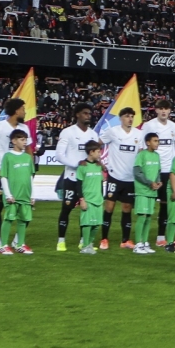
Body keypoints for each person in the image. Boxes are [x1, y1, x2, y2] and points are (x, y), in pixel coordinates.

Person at [0, 97, 30, 252]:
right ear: (16, 110)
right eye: (23, 109)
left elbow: (29, 150)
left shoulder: (25, 129)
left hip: (21, 175)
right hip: (4, 176)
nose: (25, 111)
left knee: (24, 207)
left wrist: (29, 169)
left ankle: (17, 241)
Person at [55, 103, 97, 252]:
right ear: (77, 115)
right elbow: (59, 155)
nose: (88, 116)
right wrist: (76, 164)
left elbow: (96, 156)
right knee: (66, 209)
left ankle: (83, 240)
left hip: (88, 180)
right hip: (71, 178)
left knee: (87, 210)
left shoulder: (93, 134)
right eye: (85, 113)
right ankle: (61, 241)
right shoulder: (67, 132)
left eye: (89, 114)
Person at [100, 106, 142, 250]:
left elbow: (141, 154)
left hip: (130, 178)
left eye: (131, 116)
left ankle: (125, 240)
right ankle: (104, 238)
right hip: (115, 176)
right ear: (121, 118)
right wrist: (99, 163)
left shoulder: (139, 134)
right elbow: (97, 144)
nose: (129, 119)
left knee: (126, 208)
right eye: (127, 116)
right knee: (109, 207)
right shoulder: (113, 132)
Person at [143, 98, 175, 247]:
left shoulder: (173, 126)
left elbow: (172, 147)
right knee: (148, 205)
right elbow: (143, 146)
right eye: (161, 108)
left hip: (168, 170)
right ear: (156, 110)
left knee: (165, 205)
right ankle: (142, 237)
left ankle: (160, 237)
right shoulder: (149, 125)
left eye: (166, 108)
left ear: (169, 111)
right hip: (153, 171)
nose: (164, 111)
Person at [0, 129, 35, 255]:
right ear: (14, 141)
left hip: (25, 195)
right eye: (22, 139)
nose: (25, 142)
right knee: (8, 219)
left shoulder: (27, 157)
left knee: (23, 220)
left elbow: (30, 177)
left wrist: (32, 195)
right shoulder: (8, 156)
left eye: (25, 140)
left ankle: (20, 244)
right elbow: (3, 176)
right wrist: (8, 194)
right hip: (13, 195)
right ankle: (3, 245)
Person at [131, 132, 163, 254]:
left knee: (149, 217)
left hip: (152, 191)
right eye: (155, 141)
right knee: (142, 216)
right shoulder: (142, 155)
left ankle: (144, 243)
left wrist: (158, 182)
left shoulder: (157, 156)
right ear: (148, 142)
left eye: (158, 141)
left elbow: (158, 172)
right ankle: (137, 244)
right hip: (142, 191)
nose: (157, 143)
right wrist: (150, 182)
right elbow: (137, 172)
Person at [76, 140, 106, 254]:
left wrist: (101, 198)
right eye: (98, 151)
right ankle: (85, 246)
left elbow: (100, 184)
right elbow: (78, 185)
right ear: (91, 152)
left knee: (97, 224)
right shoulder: (82, 166)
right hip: (88, 200)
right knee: (87, 223)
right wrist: (81, 200)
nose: (100, 154)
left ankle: (90, 244)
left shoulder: (99, 166)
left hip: (98, 200)